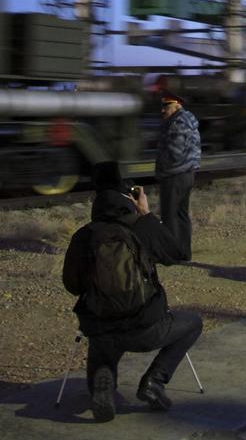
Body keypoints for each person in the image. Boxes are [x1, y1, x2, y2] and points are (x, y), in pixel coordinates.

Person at [63, 161, 202, 422]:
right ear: (128, 195)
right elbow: (176, 253)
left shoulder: (84, 235)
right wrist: (147, 215)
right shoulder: (141, 225)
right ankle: (154, 381)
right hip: (146, 328)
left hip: (101, 330)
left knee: (102, 343)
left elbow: (72, 284)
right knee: (193, 323)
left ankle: (102, 381)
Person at [155, 91, 200, 261]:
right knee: (181, 214)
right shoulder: (188, 120)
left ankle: (171, 253)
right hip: (187, 174)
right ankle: (183, 252)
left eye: (166, 106)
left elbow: (175, 151)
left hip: (174, 174)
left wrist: (162, 167)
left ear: (176, 105)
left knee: (170, 215)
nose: (163, 110)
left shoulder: (177, 123)